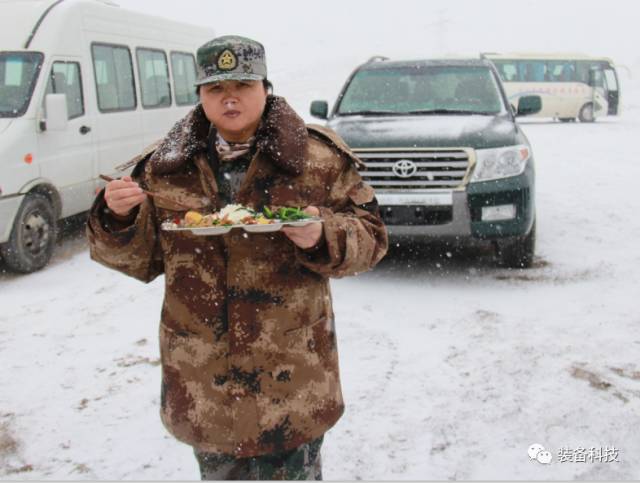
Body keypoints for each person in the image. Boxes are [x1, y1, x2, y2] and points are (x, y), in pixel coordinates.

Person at [86, 35, 388, 480]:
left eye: (242, 85)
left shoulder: (318, 159)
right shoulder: (164, 166)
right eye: (215, 89)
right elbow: (139, 259)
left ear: (265, 88)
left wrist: (324, 234)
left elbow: (373, 238)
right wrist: (115, 217)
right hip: (204, 380)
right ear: (200, 97)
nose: (229, 99)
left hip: (291, 375)